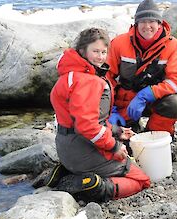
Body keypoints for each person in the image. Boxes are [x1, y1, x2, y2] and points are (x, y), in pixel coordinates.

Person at [49, 28, 150, 203]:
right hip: (83, 150)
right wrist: (114, 147)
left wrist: (116, 131)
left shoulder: (69, 75)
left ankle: (69, 171)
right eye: (95, 51)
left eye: (104, 52)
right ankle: (95, 186)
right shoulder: (88, 81)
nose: (100, 57)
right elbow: (87, 126)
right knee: (141, 180)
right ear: (82, 51)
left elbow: (86, 120)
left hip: (66, 147)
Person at [107, 0, 177, 136]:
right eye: (143, 21)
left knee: (174, 102)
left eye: (152, 21)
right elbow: (105, 77)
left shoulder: (172, 46)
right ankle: (132, 127)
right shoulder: (119, 43)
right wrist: (110, 110)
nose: (147, 26)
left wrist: (146, 94)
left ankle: (155, 136)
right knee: (124, 142)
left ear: (159, 23)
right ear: (136, 24)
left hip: (156, 100)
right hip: (125, 103)